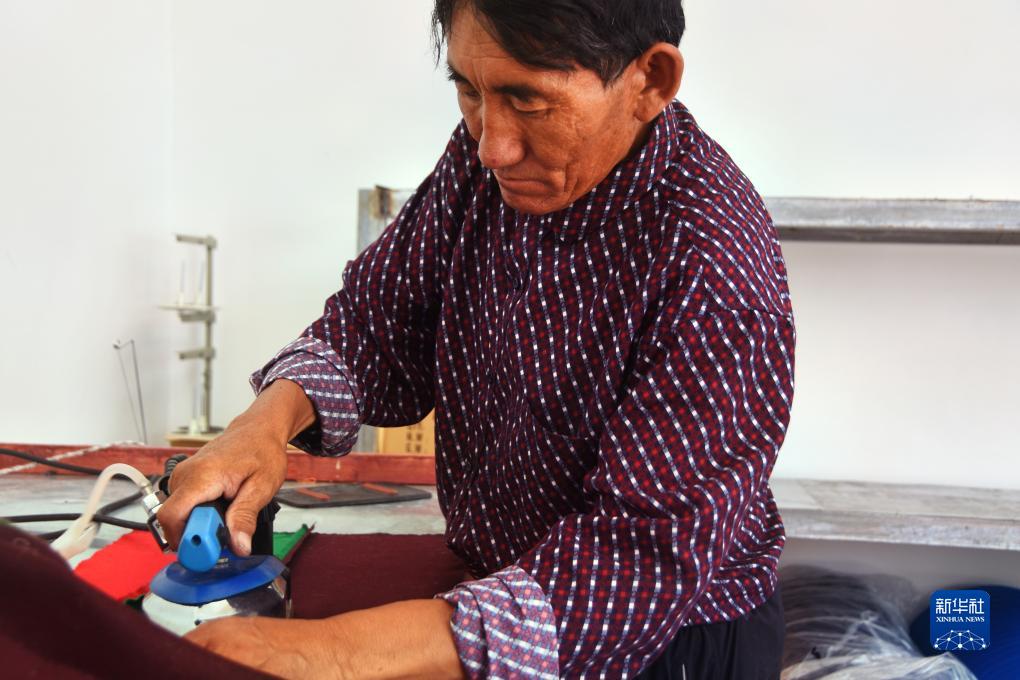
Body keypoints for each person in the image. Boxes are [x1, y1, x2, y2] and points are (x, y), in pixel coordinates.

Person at [158, 1, 795, 677]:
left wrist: (327, 657)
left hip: (669, 646)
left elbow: (629, 567)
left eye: (529, 101)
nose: (494, 145)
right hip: (489, 591)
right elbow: (377, 322)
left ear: (650, 80)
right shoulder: (487, 160)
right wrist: (264, 424)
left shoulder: (711, 263)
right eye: (468, 91)